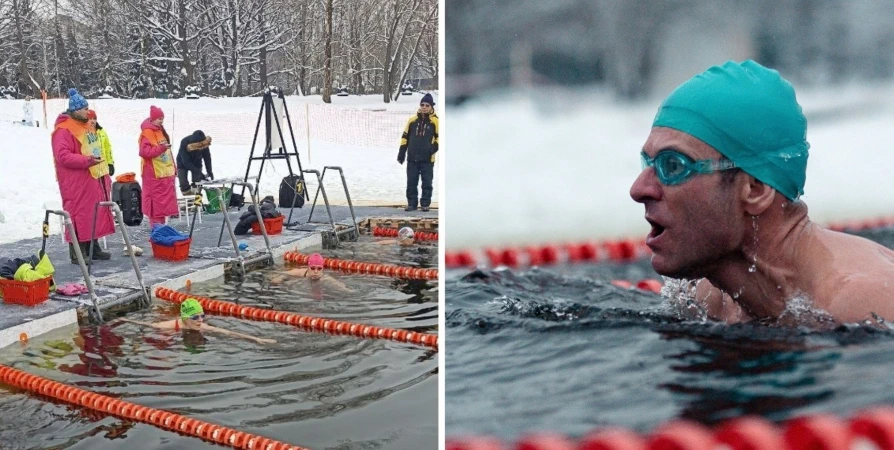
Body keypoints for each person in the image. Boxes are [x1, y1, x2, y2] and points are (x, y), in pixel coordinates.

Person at [629, 60, 894, 325]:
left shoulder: (868, 306)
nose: (639, 189)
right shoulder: (708, 299)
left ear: (755, 190)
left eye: (672, 165)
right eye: (647, 163)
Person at [51, 88, 113, 264]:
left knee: (93, 213)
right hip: (76, 182)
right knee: (78, 215)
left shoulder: (86, 126)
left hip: (92, 178)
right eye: (85, 108)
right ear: (76, 110)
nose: (88, 111)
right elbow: (62, 156)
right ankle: (77, 252)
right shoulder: (63, 130)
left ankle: (93, 247)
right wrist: (87, 161)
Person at [117, 298, 276, 344]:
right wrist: (122, 319)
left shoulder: (202, 326)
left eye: (202, 315)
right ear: (185, 318)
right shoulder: (166, 326)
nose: (200, 320)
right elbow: (146, 325)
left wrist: (257, 339)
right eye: (195, 317)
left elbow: (228, 332)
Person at [397, 93, 439, 212]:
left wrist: (431, 150)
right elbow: (405, 137)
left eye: (427, 105)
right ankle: (412, 203)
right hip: (412, 158)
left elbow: (439, 138)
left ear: (431, 107)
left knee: (426, 182)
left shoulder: (435, 121)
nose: (424, 107)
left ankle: (425, 203)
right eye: (422, 105)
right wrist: (402, 153)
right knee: (411, 182)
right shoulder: (412, 120)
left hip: (427, 159)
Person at [139, 105, 178, 227]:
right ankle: (156, 231)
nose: (161, 121)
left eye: (162, 118)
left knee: (162, 207)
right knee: (156, 207)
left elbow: (168, 152)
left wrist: (174, 168)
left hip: (164, 174)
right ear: (153, 118)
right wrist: (161, 148)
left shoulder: (161, 131)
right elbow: (144, 152)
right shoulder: (147, 133)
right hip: (154, 175)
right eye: (159, 118)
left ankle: (161, 229)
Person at [277, 253, 353, 293]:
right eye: (312, 268)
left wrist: (348, 291)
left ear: (323, 269)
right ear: (308, 267)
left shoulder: (326, 278)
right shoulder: (300, 273)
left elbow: (340, 286)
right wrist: (278, 280)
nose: (316, 271)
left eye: (319, 268)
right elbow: (282, 274)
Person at [176, 130, 213, 195]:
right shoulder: (184, 142)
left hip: (197, 162)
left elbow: (207, 158)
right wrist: (199, 173)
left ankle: (196, 201)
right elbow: (186, 162)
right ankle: (188, 198)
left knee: (198, 181)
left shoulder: (204, 144)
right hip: (182, 162)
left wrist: (209, 171)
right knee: (183, 183)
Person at [88, 109, 115, 176]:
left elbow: (108, 148)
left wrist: (110, 163)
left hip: (103, 166)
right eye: (90, 118)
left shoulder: (102, 132)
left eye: (94, 118)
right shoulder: (85, 132)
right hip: (91, 168)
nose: (92, 121)